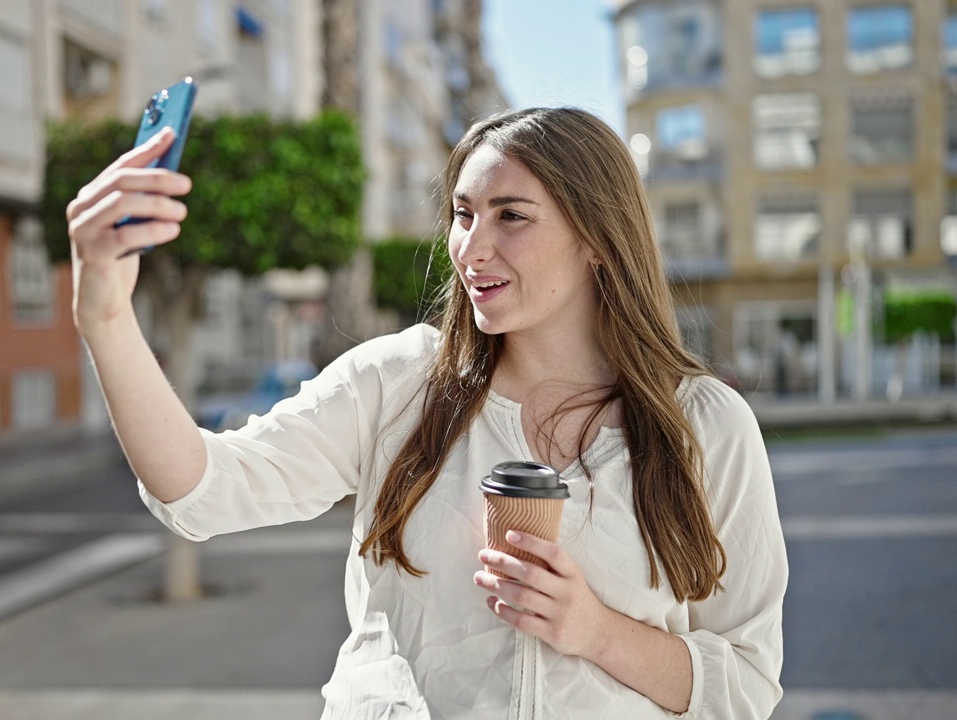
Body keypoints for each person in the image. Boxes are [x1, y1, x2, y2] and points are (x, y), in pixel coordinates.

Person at [66, 108, 788, 719]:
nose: (472, 248)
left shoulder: (705, 426)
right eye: (463, 215)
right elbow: (200, 490)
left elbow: (745, 685)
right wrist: (105, 312)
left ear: (597, 238)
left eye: (511, 216)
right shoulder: (396, 383)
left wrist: (595, 631)